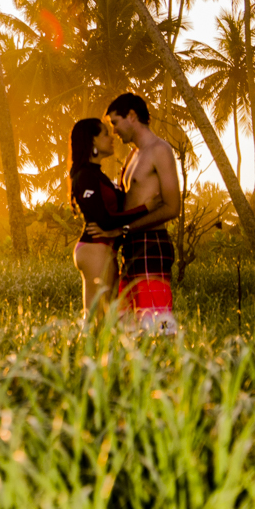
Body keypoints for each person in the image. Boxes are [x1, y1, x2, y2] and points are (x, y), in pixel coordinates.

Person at [86, 93, 181, 334]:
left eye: (115, 123)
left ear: (131, 116)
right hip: (130, 248)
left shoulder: (160, 150)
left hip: (151, 245)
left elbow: (172, 207)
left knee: (159, 324)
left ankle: (167, 367)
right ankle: (135, 371)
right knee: (126, 325)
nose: (114, 131)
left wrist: (124, 228)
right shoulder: (132, 155)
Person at [68, 118, 147, 320]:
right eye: (104, 133)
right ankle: (75, 351)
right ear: (92, 141)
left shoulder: (97, 174)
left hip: (103, 249)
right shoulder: (85, 176)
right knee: (98, 319)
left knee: (105, 318)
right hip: (95, 248)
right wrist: (146, 209)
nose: (111, 137)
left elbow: (115, 209)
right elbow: (104, 219)